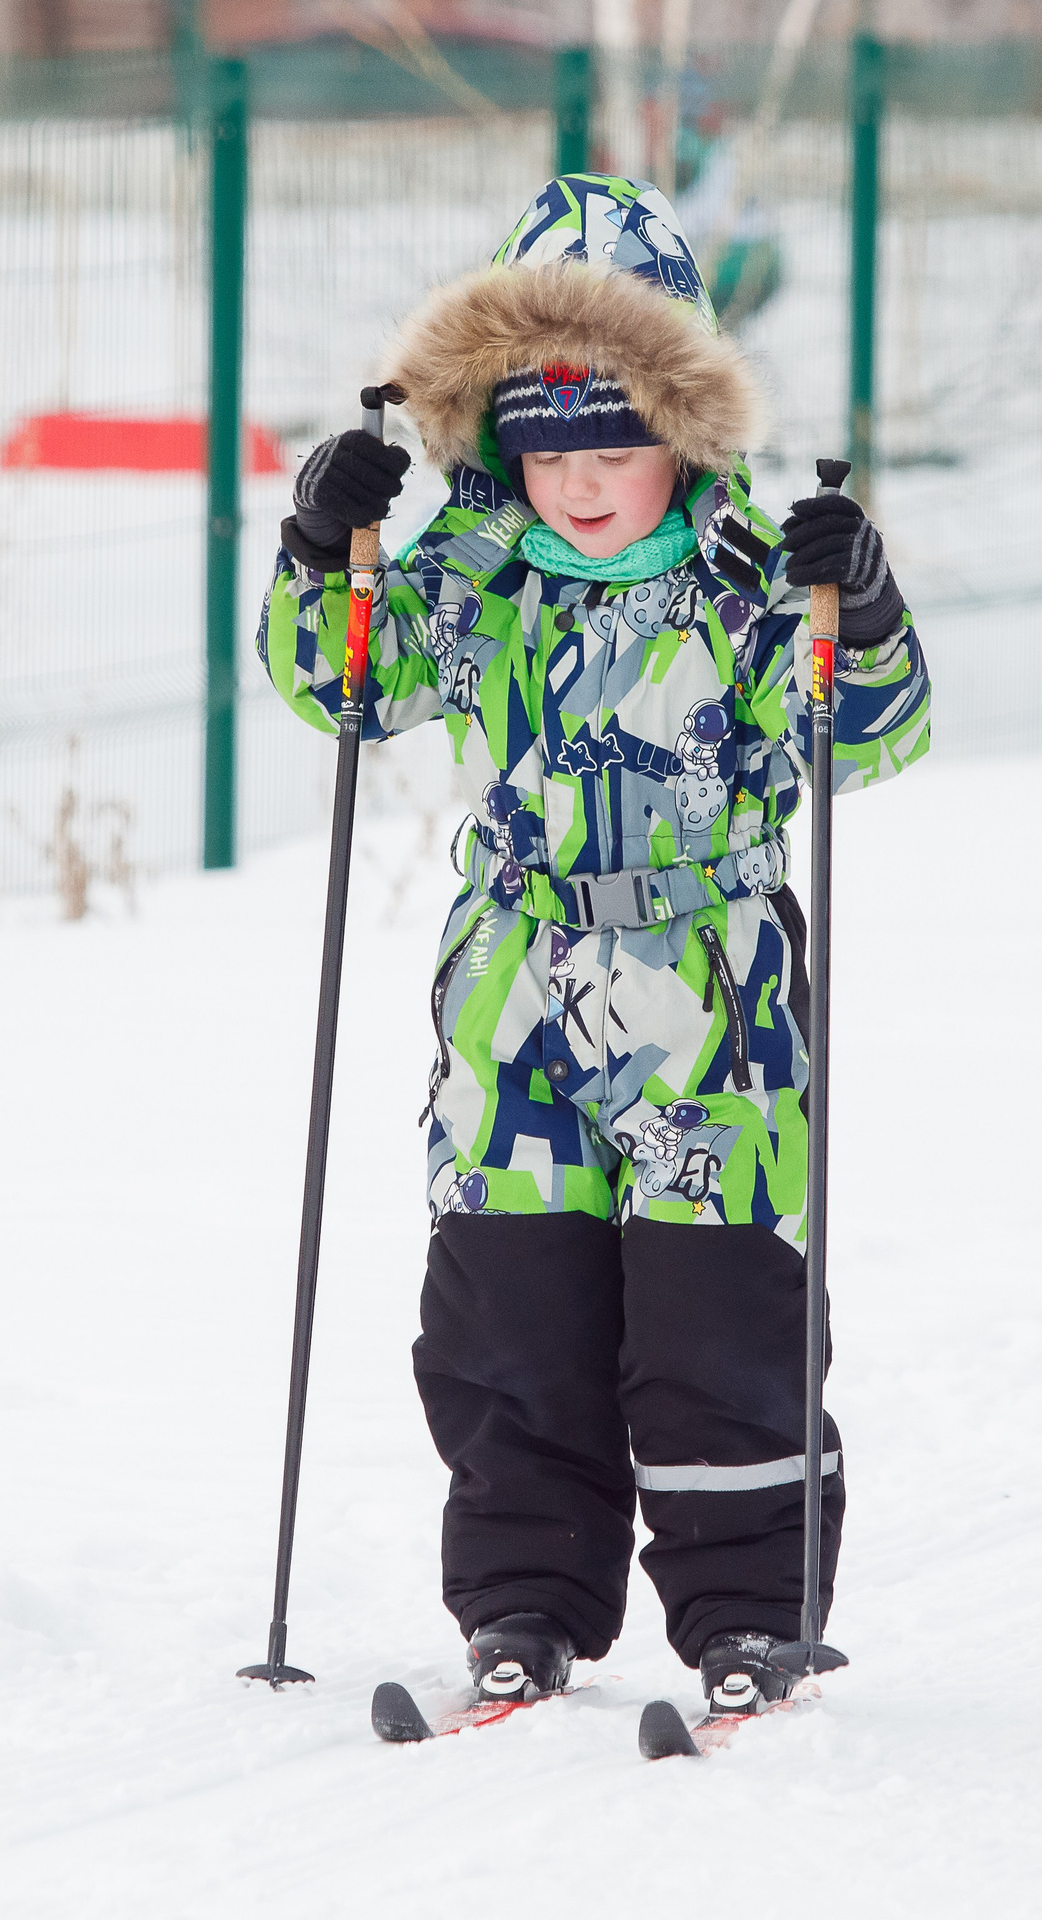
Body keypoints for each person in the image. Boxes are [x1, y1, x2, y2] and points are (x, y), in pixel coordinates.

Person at [261, 175, 931, 1716]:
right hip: (515, 995)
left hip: (713, 995)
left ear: (685, 430)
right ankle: (521, 1602)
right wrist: (325, 545)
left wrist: (864, 609)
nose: (579, 482)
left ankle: (750, 1615)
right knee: (512, 1308)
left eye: (617, 443)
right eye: (544, 443)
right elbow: (341, 685)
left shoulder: (753, 577)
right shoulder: (473, 571)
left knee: (718, 1312)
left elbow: (868, 738)